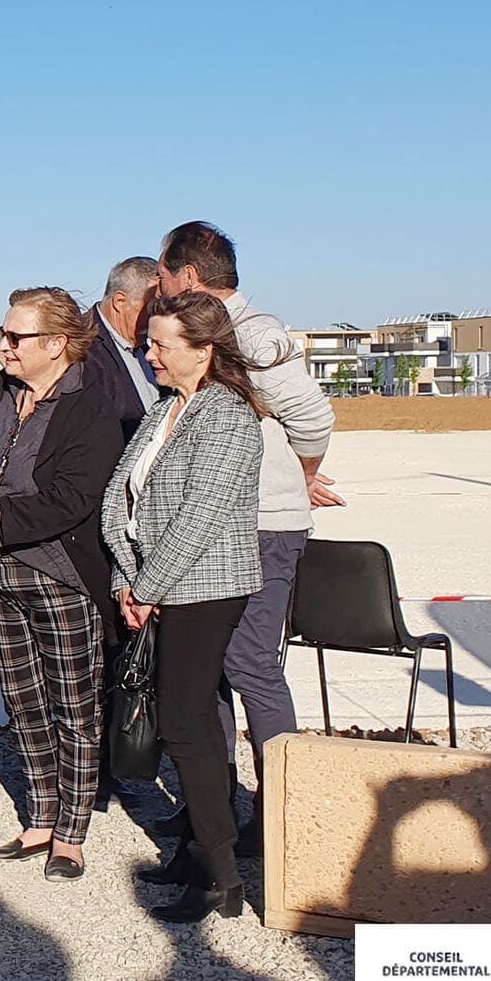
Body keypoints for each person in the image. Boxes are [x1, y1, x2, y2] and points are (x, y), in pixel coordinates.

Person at [157, 221, 341, 853]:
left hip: (264, 525)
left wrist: (301, 473)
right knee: (209, 673)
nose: (158, 290)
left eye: (162, 276)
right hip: (225, 524)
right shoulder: (211, 335)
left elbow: (313, 415)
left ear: (187, 276)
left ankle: (279, 817)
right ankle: (216, 815)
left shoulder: (252, 336)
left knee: (250, 665)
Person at [0, 288, 123, 881]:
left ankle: (72, 833)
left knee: (74, 706)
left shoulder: (92, 405)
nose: (3, 346)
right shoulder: (4, 388)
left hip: (60, 576)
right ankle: (40, 818)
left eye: (15, 338)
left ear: (57, 344)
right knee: (23, 701)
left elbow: (73, 500)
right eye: (3, 332)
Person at [101, 290, 266, 923]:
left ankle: (219, 874)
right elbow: (120, 494)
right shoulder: (168, 407)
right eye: (149, 343)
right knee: (183, 722)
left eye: (162, 345)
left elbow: (201, 516)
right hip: (154, 584)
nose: (149, 354)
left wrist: (146, 587)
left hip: (206, 588)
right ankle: (195, 853)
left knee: (185, 723)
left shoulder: (226, 415)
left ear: (204, 350)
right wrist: (127, 576)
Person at [84, 255, 161, 433]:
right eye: (153, 308)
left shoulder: (147, 347)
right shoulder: (81, 348)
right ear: (120, 301)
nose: (159, 316)